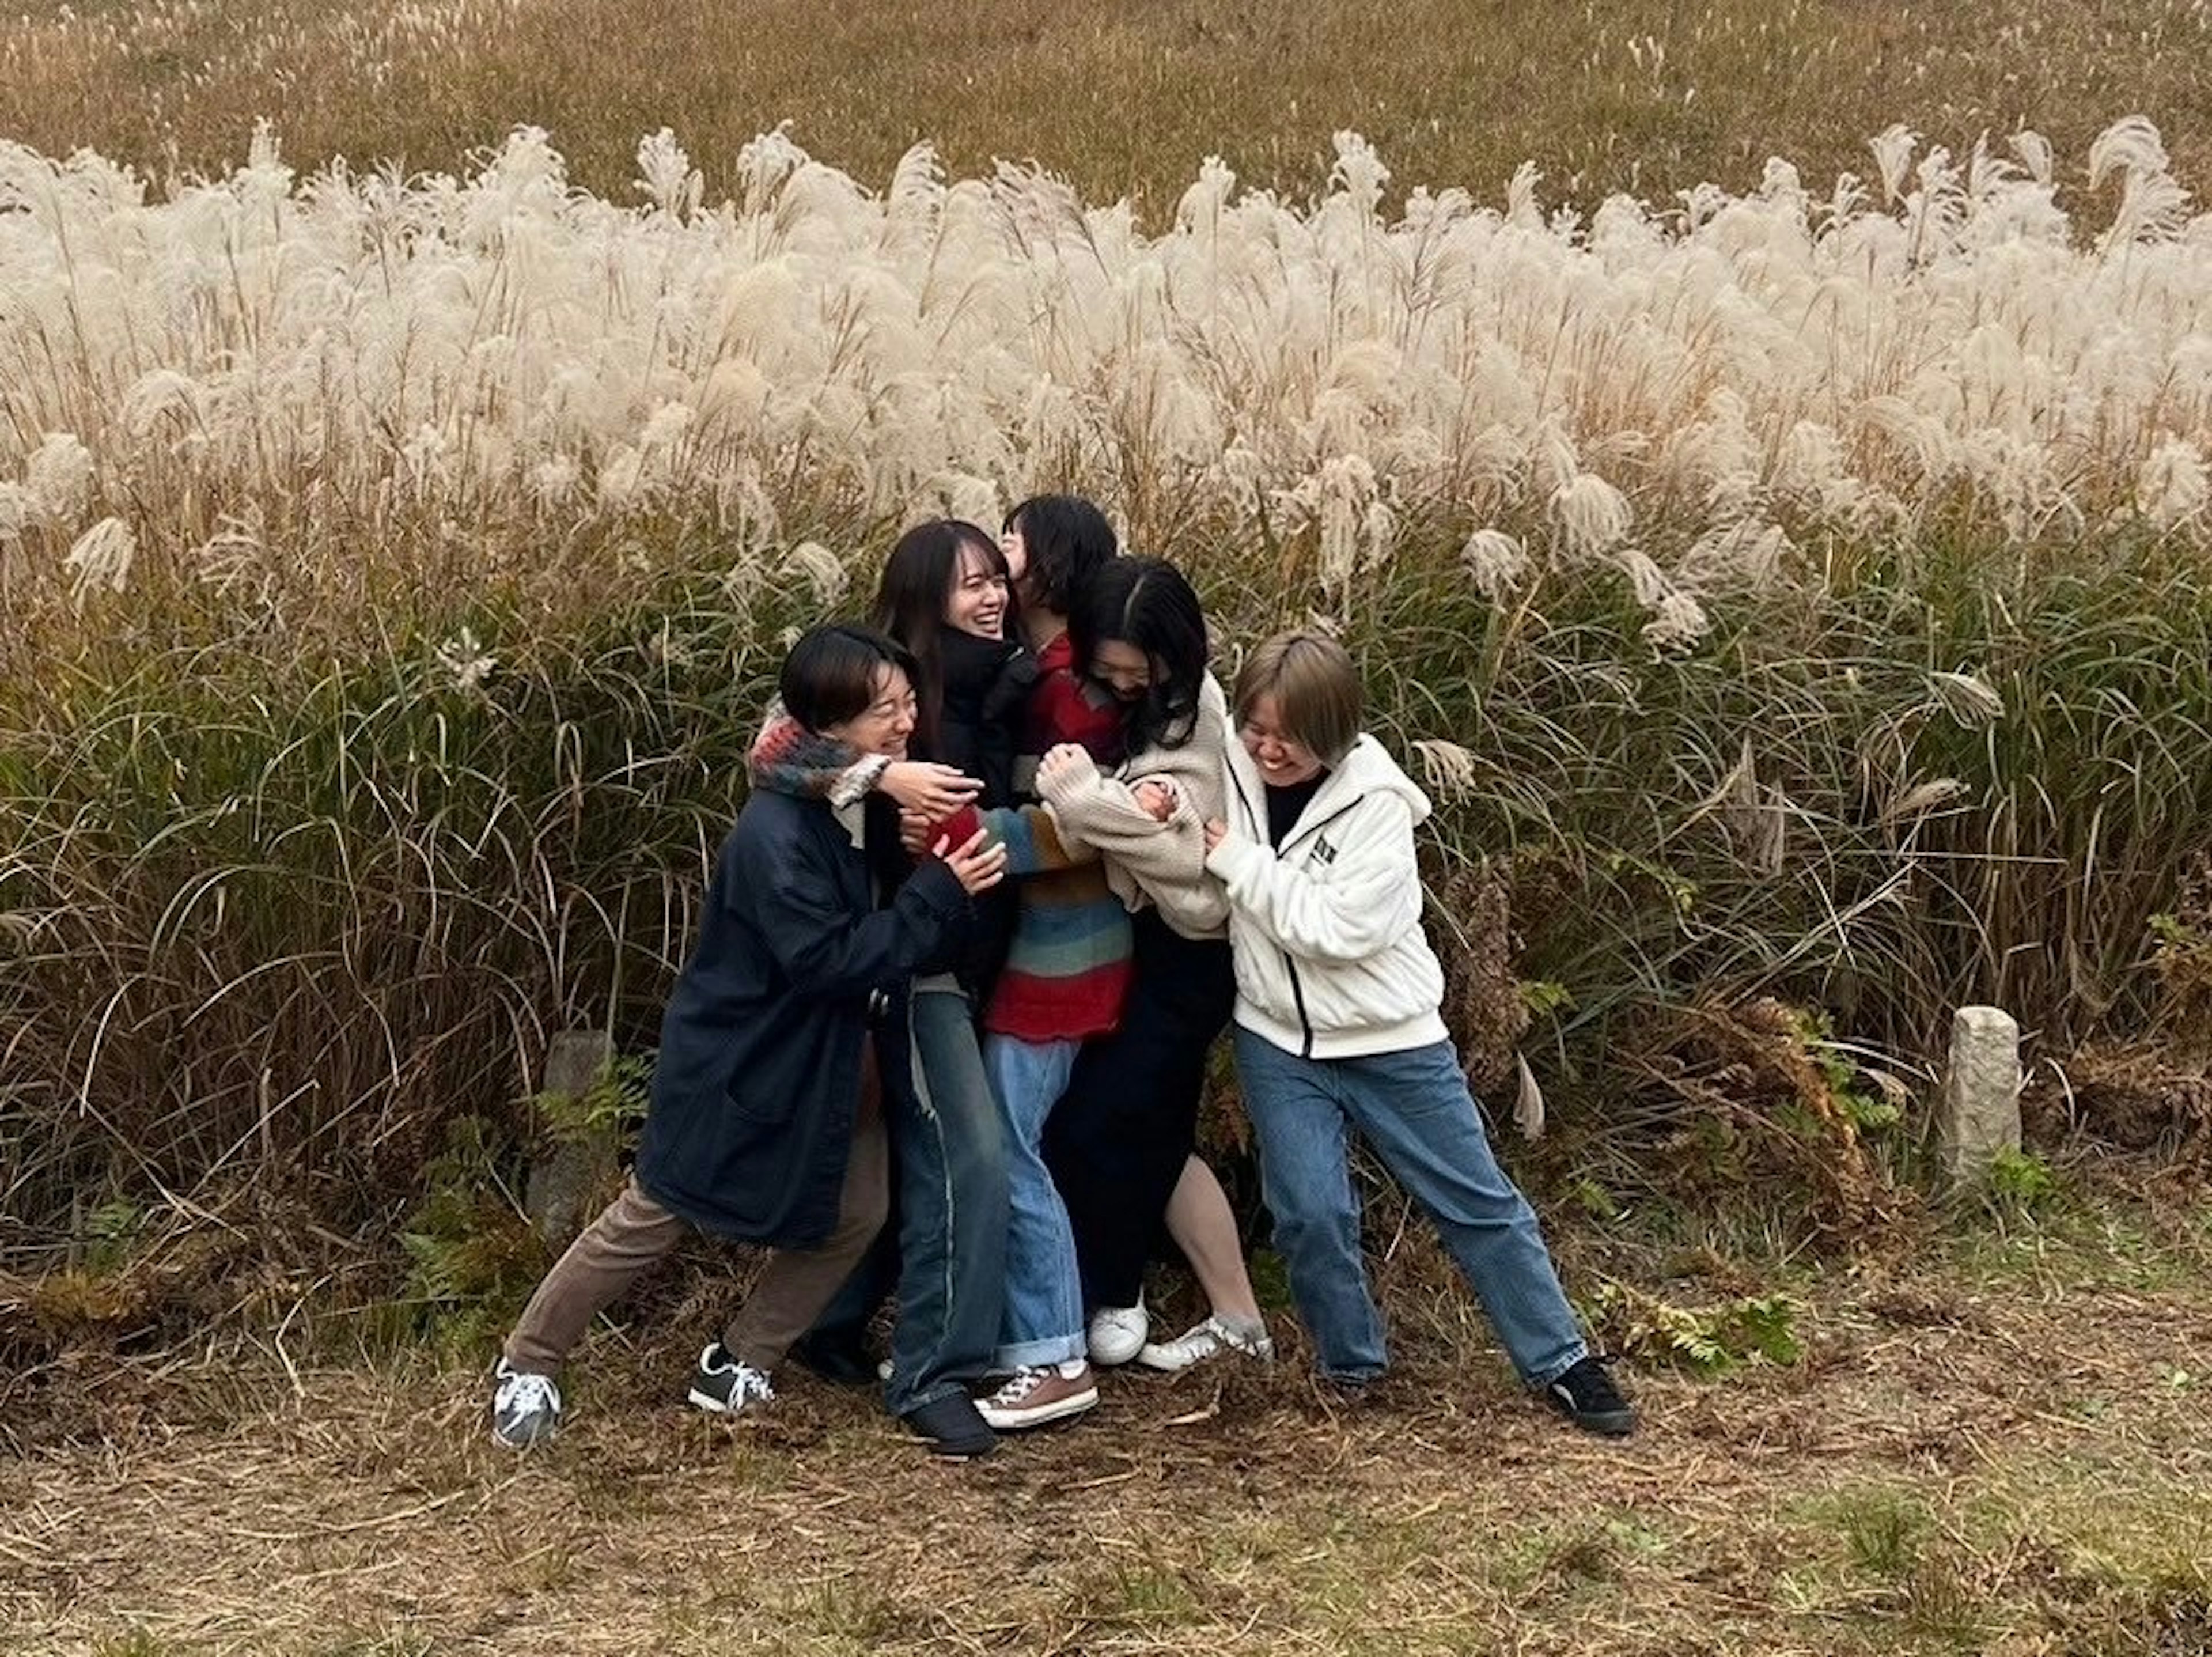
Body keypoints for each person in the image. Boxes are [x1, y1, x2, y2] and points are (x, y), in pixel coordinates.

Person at [488, 624, 1006, 1449]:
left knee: (858, 1210)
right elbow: (827, 960)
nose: (905, 724)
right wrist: (939, 891)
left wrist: (923, 869)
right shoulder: (775, 835)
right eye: (884, 711)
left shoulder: (857, 802)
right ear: (830, 727)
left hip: (834, 1060)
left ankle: (738, 1361)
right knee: (656, 1211)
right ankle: (529, 1360)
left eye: (909, 704)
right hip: (747, 1056)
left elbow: (877, 938)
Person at [1202, 631, 1637, 1437]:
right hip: (1276, 1041)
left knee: (1475, 1203)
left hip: (1390, 1041)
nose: (1266, 748)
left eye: (1286, 735)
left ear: (1332, 730)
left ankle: (1563, 1361)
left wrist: (1235, 859)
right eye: (1254, 727)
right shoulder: (1231, 763)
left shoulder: (1380, 809)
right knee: (1309, 1213)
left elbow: (1331, 930)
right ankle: (1351, 1368)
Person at [960, 557, 1272, 1431]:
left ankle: (1107, 1309)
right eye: (1116, 667)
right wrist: (1116, 808)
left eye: (1144, 668)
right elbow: (1139, 827)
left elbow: (1181, 860)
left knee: (1109, 1122)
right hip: (1143, 943)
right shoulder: (1124, 699)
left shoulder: (1196, 709)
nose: (1129, 681)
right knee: (1147, 1129)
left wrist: (1086, 803)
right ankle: (1212, 1312)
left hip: (1190, 952)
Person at [748, 521, 1033, 1458]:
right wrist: (884, 778)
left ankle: (838, 1326)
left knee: (919, 1162)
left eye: (998, 578)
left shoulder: (1008, 677)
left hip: (968, 949)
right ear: (921, 599)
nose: (990, 598)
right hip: (904, 961)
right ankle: (934, 1374)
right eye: (968, 587)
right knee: (970, 1155)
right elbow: (772, 755)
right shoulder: (870, 681)